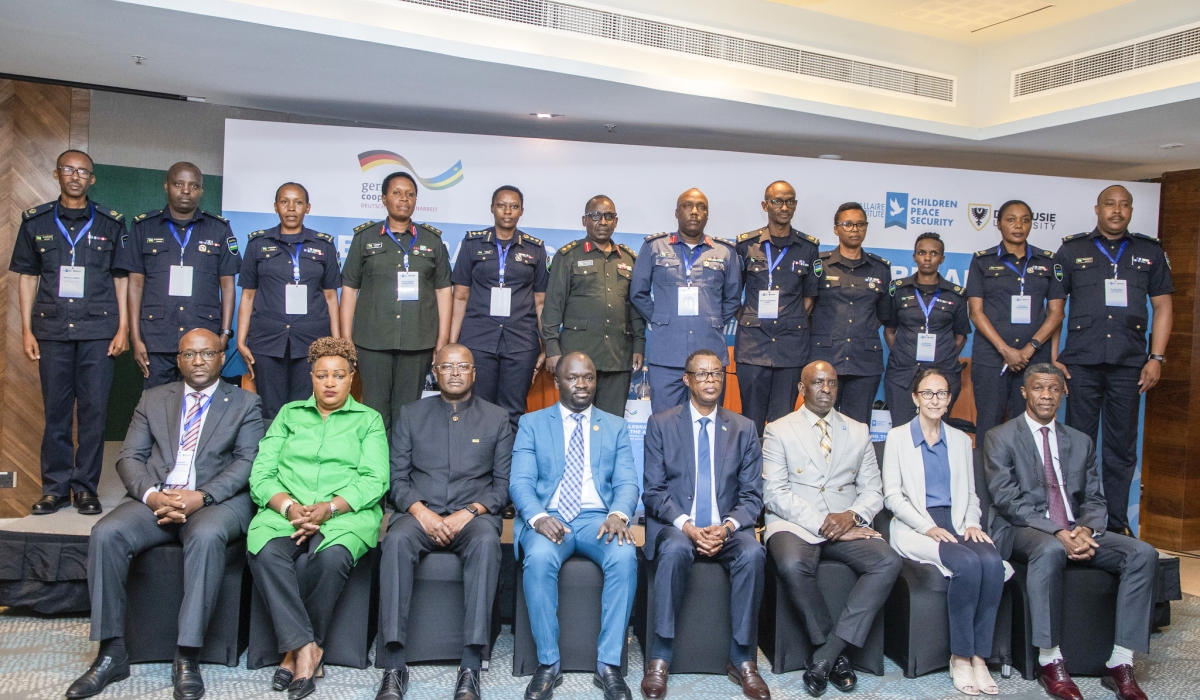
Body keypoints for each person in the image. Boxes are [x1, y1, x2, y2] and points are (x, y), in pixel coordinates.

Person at [65, 328, 264, 700]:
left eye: (207, 353)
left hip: (215, 503)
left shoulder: (244, 404)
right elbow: (130, 457)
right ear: (178, 360)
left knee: (206, 537)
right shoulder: (153, 399)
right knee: (106, 533)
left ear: (222, 358)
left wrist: (200, 497)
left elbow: (246, 462)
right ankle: (111, 652)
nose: (199, 361)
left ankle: (187, 654)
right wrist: (154, 496)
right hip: (157, 498)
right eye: (189, 354)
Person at [984, 363, 1157, 700]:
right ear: (1024, 392)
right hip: (1024, 529)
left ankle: (1120, 662)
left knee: (1142, 553)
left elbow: (1094, 496)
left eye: (1053, 389)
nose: (1046, 395)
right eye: (1038, 388)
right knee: (1050, 549)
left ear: (1063, 394)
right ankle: (1050, 660)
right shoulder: (1000, 436)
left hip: (1077, 529)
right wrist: (1059, 532)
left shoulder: (1080, 440)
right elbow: (1008, 500)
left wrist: (1085, 529)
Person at [246, 338, 389, 700]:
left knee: (331, 558)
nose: (329, 383)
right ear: (311, 377)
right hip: (286, 513)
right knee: (265, 553)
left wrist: (331, 507)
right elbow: (261, 473)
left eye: (338, 375)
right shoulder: (289, 414)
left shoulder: (368, 420)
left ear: (351, 377)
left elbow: (375, 478)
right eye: (322, 375)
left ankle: (293, 654)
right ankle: (308, 649)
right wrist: (289, 507)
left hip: (345, 514)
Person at [375, 344, 512, 700]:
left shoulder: (496, 417)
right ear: (434, 372)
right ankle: (393, 663)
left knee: (486, 543)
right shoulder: (411, 414)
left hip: (473, 517)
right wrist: (421, 512)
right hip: (420, 514)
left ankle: (470, 663)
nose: (454, 372)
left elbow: (503, 487)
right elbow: (397, 479)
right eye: (446, 366)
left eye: (462, 366)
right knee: (395, 540)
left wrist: (469, 513)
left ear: (474, 373)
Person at [760, 360, 899, 698]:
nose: (826, 389)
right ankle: (832, 653)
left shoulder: (859, 429)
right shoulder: (779, 429)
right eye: (818, 382)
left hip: (846, 522)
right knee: (793, 564)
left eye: (832, 383)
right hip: (795, 523)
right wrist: (826, 525)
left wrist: (851, 515)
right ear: (801, 388)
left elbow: (873, 491)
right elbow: (775, 493)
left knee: (888, 561)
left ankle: (827, 653)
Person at [509, 352, 640, 700]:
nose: (582, 384)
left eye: (588, 377)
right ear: (556, 382)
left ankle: (608, 664)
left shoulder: (616, 425)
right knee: (537, 559)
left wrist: (619, 515)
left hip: (598, 519)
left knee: (625, 556)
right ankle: (548, 664)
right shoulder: (532, 424)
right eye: (573, 377)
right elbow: (520, 482)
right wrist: (538, 517)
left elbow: (628, 482)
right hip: (550, 518)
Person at [641, 349, 769, 700]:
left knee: (753, 553)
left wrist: (727, 528)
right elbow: (653, 491)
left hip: (726, 529)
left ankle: (742, 658)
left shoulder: (743, 428)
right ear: (687, 379)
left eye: (716, 374)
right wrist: (687, 526)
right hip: (679, 527)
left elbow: (752, 496)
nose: (711, 380)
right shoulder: (661, 423)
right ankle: (661, 655)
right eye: (702, 374)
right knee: (673, 550)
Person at [8, 149, 129, 516]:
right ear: (57, 174)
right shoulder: (36, 222)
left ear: (92, 179)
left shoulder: (111, 222)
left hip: (98, 330)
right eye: (69, 170)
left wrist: (123, 327)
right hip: (53, 330)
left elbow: (121, 277)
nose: (75, 176)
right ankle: (56, 489)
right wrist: (27, 329)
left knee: (94, 413)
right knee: (57, 413)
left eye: (83, 172)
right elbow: (28, 276)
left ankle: (86, 489)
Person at [1052, 185, 1173, 535]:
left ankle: (1117, 523)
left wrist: (1157, 358)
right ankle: (1076, 520)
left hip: (1129, 364)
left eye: (1124, 205)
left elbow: (1164, 306)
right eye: (1110, 204)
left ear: (1131, 211)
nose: (1116, 211)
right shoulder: (1072, 249)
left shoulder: (1149, 252)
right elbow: (1055, 310)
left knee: (1121, 449)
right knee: (1077, 446)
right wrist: (1054, 357)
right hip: (1082, 364)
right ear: (1097, 209)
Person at [882, 368, 1004, 696]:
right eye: (927, 393)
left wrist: (974, 524)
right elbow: (892, 496)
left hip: (960, 522)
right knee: (965, 564)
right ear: (915, 398)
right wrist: (928, 527)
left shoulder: (962, 441)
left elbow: (971, 495)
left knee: (991, 563)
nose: (935, 399)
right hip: (918, 525)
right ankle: (961, 656)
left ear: (950, 399)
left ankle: (980, 657)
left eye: (941, 393)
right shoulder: (897, 438)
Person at [341, 171, 453, 435]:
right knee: (375, 409)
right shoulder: (364, 238)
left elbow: (443, 292)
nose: (404, 199)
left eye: (410, 194)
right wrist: (346, 340)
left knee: (409, 410)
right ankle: (376, 470)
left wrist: (443, 340)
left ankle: (401, 473)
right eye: (397, 193)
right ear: (383, 199)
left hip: (418, 340)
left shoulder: (432, 240)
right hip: (372, 341)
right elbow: (348, 290)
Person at [119, 162, 240, 388]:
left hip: (202, 340)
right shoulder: (144, 226)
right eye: (179, 184)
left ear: (202, 191)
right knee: (156, 408)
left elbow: (228, 286)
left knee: (199, 408)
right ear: (167, 186)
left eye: (194, 185)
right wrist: (135, 338)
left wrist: (224, 335)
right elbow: (135, 285)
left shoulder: (219, 229)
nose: (186, 190)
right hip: (156, 339)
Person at [236, 183, 341, 419]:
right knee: (270, 411)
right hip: (267, 341)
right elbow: (248, 296)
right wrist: (241, 340)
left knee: (307, 411)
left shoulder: (323, 245)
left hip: (312, 342)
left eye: (298, 202)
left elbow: (331, 297)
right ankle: (272, 455)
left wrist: (336, 342)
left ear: (308, 207)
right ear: (276, 207)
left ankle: (300, 456)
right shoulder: (258, 244)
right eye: (285, 202)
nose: (291, 208)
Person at [630, 189, 741, 414]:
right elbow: (638, 292)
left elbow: (733, 298)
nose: (694, 212)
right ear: (676, 212)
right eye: (687, 206)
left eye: (701, 207)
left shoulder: (725, 251)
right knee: (664, 424)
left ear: (707, 215)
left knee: (708, 423)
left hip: (709, 353)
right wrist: (660, 318)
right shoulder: (654, 247)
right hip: (667, 353)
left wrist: (713, 320)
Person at [450, 185, 548, 430]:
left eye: (514, 206)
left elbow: (540, 302)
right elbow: (460, 297)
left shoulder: (534, 248)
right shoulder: (473, 243)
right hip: (478, 338)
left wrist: (546, 346)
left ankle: (508, 469)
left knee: (512, 411)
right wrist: (452, 344)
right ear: (492, 208)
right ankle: (479, 469)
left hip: (520, 342)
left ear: (521, 211)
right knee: (478, 408)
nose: (507, 211)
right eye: (502, 205)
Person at [966, 200, 1065, 441]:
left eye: (1025, 220)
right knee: (988, 427)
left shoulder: (1048, 262)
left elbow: (1057, 313)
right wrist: (1005, 350)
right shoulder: (982, 261)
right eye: (1011, 220)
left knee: (1032, 428)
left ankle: (1029, 480)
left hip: (1035, 360)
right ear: (998, 224)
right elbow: (975, 312)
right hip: (992, 358)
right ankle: (985, 480)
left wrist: (1029, 349)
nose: (1018, 225)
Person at [542, 195, 645, 417]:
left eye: (609, 216)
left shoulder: (628, 259)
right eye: (596, 216)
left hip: (618, 356)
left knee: (612, 422)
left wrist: (639, 345)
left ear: (616, 221)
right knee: (574, 418)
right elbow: (552, 307)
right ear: (584, 220)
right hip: (577, 356)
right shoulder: (568, 256)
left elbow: (636, 306)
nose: (603, 222)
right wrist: (551, 349)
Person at [734, 181, 821, 436]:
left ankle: (778, 475)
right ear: (765, 205)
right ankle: (750, 474)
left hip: (791, 348)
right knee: (751, 421)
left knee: (784, 423)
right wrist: (749, 318)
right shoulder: (745, 245)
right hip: (753, 346)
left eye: (790, 201)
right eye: (777, 201)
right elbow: (731, 294)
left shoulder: (808, 247)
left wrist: (787, 321)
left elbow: (809, 300)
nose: (784, 207)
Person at [809, 202, 892, 425]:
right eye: (847, 224)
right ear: (836, 229)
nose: (854, 229)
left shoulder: (880, 268)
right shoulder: (819, 264)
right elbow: (807, 307)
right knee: (819, 426)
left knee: (857, 429)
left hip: (863, 362)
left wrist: (858, 330)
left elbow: (883, 314)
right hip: (825, 358)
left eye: (860, 224)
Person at [883, 233, 970, 427]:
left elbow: (961, 336)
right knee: (903, 431)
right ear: (914, 256)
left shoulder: (956, 294)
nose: (927, 258)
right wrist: (903, 353)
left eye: (934, 253)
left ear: (942, 258)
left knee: (936, 431)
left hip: (943, 374)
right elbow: (889, 331)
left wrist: (942, 356)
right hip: (902, 374)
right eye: (922, 253)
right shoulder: (898, 290)